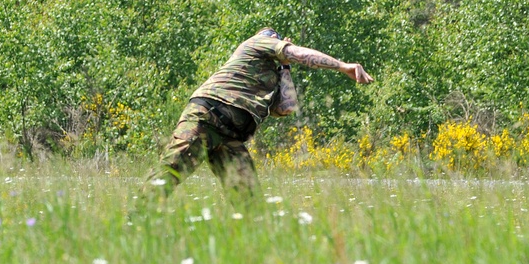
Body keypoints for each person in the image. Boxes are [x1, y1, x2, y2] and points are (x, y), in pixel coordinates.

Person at [147, 28, 373, 197]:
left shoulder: (269, 76)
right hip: (207, 117)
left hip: (231, 136)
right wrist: (343, 66)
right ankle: (132, 223)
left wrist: (284, 67)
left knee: (249, 201)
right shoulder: (256, 43)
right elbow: (296, 53)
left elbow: (286, 108)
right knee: (169, 174)